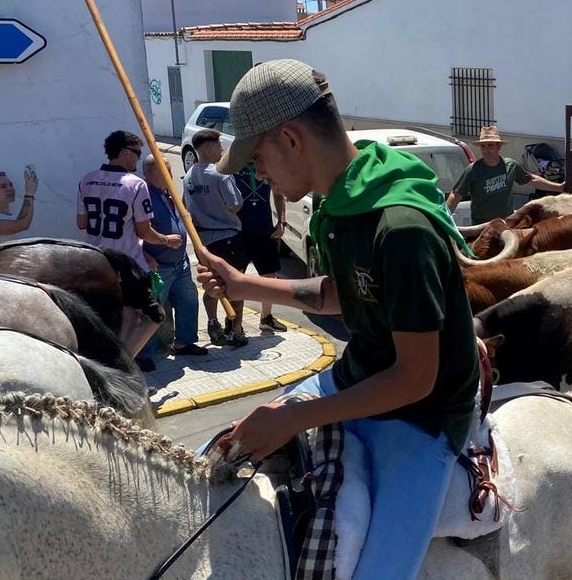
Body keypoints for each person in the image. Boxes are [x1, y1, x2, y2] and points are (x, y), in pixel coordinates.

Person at [195, 59, 478, 577]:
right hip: (355, 378)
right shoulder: (340, 204)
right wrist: (242, 283)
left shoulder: (400, 227)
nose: (259, 175)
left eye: (257, 157)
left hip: (423, 417)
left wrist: (292, 417)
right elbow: (343, 295)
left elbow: (416, 380)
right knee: (205, 461)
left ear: (290, 139)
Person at [139, 154, 208, 371]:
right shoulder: (144, 196)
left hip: (180, 262)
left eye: (169, 170)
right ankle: (142, 354)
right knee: (153, 311)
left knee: (188, 301)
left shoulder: (168, 192)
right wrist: (145, 255)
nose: (169, 175)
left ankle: (184, 342)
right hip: (159, 265)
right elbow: (137, 231)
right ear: (149, 173)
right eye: (163, 171)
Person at [77, 131, 180, 273]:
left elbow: (81, 223)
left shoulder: (87, 180)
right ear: (125, 153)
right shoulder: (136, 185)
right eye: (137, 153)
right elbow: (144, 233)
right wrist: (167, 240)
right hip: (126, 266)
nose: (139, 159)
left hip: (96, 262)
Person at [184, 129, 247, 348]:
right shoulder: (220, 173)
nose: (221, 150)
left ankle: (213, 322)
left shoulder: (189, 176)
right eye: (219, 145)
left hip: (204, 241)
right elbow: (235, 204)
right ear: (208, 148)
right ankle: (236, 331)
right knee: (236, 285)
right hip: (227, 236)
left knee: (211, 284)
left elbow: (186, 208)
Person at [447, 125, 562, 223]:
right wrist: (443, 218)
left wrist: (559, 187)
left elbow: (532, 179)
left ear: (499, 146)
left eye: (490, 145)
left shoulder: (510, 166)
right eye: (483, 146)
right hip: (481, 227)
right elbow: (456, 194)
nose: (486, 150)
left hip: (505, 224)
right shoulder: (473, 170)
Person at [233, 161, 289, 332]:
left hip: (264, 230)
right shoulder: (233, 168)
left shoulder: (266, 165)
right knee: (236, 278)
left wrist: (281, 221)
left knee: (269, 277)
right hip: (238, 231)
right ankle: (235, 324)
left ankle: (266, 317)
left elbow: (278, 194)